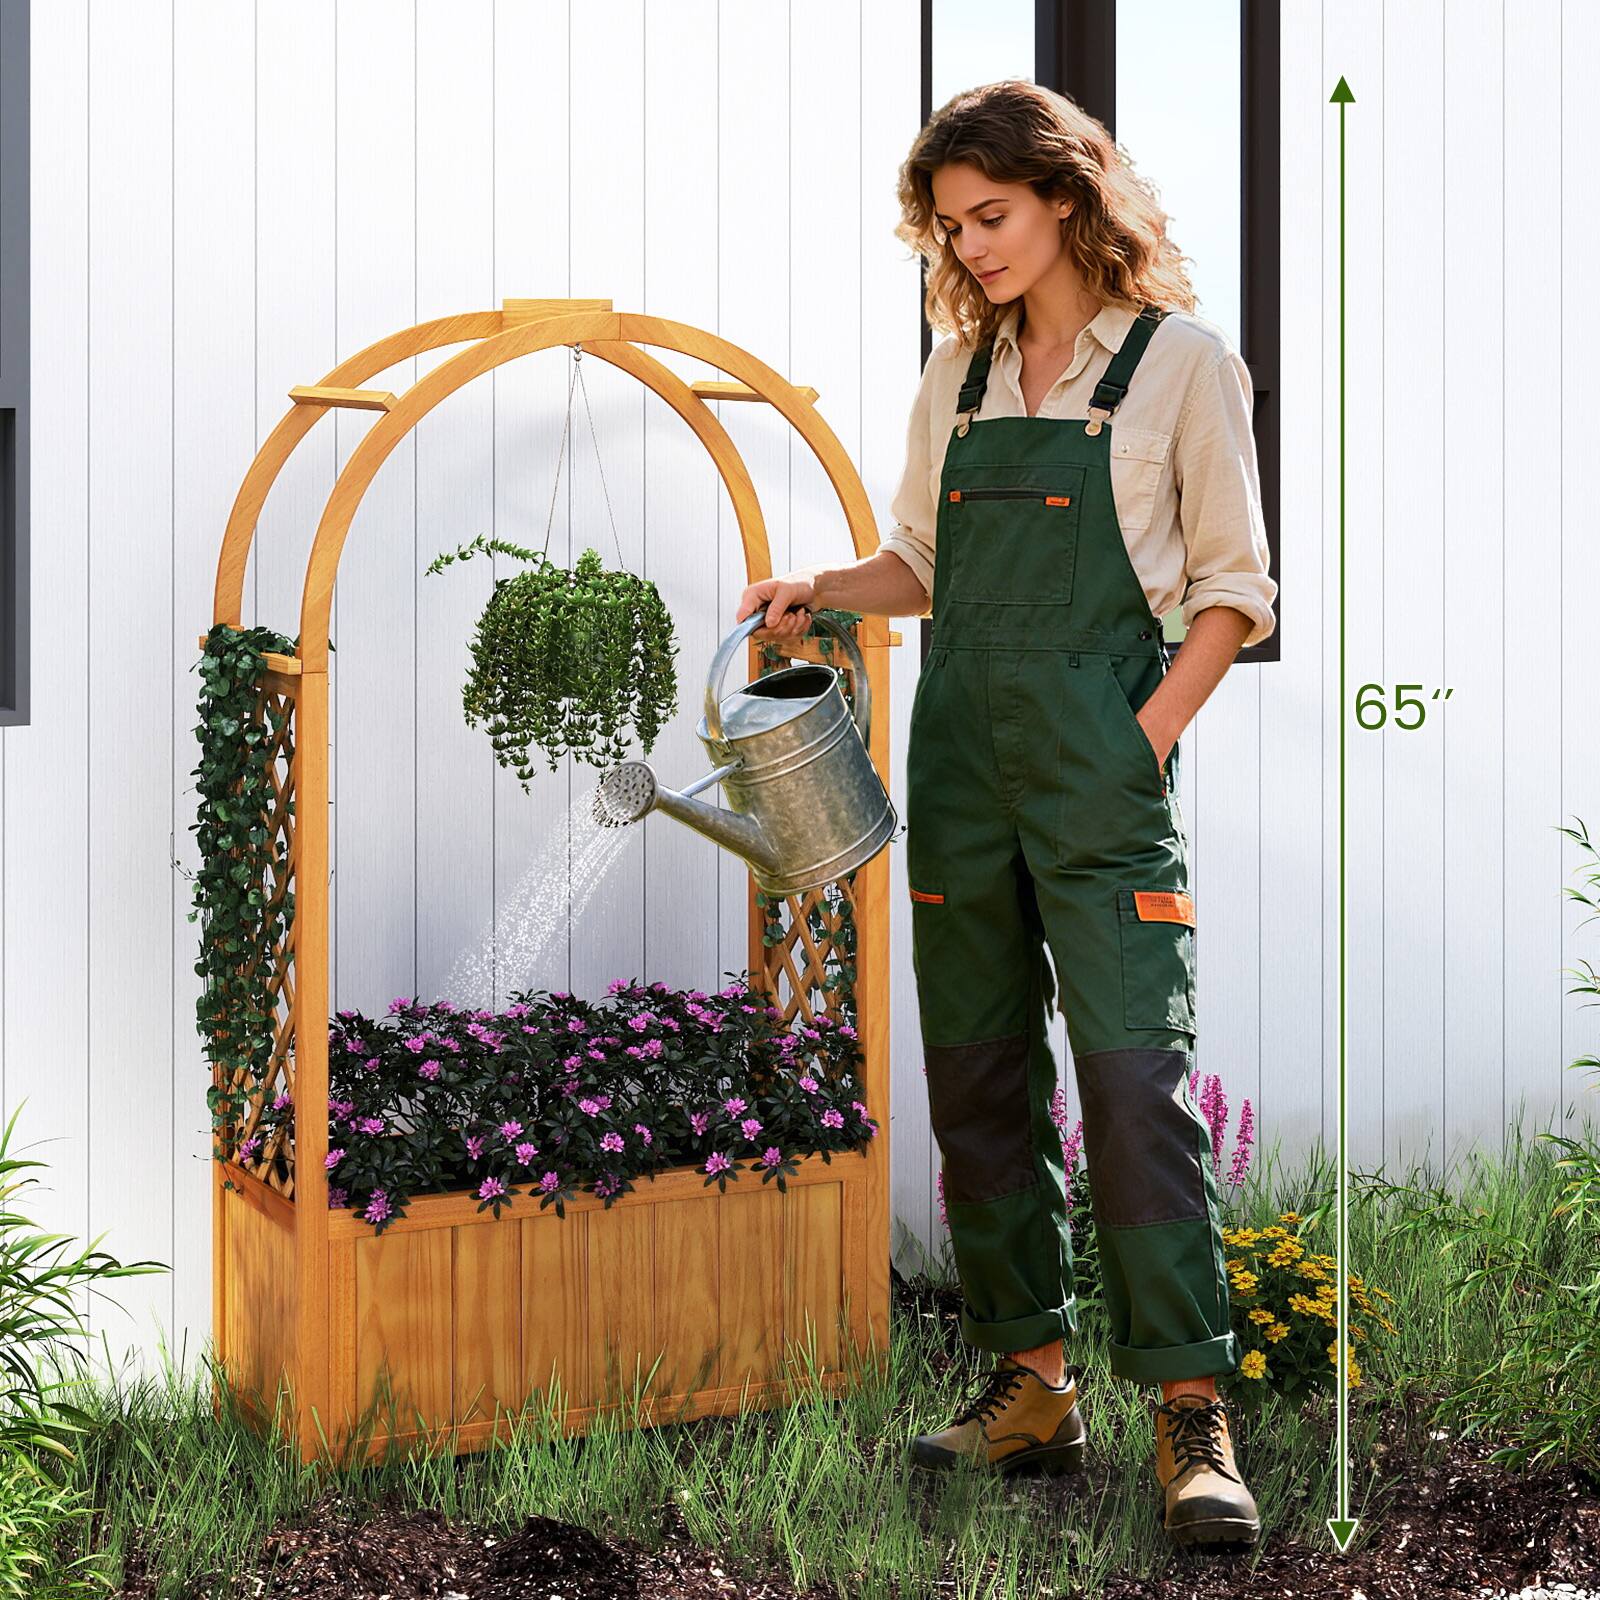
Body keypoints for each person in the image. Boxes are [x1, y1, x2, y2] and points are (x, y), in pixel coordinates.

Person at [735, 80, 1276, 1548]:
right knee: (976, 1083)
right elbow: (922, 560)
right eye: (952, 226)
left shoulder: (1181, 369)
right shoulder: (957, 376)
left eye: (994, 216)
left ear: (1068, 200)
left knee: (1132, 1090)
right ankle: (1030, 1387)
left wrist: (1144, 738)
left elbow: (1233, 591)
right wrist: (821, 590)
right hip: (963, 774)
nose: (972, 248)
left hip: (1099, 783)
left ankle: (1187, 1414)